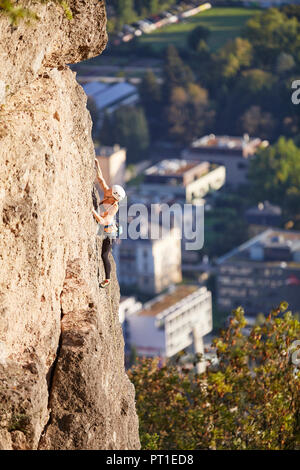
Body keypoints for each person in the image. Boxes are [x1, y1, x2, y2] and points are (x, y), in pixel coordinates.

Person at [92, 159, 126, 288]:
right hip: (105, 227)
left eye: (110, 190)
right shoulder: (108, 193)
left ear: (114, 196)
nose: (108, 189)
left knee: (104, 255)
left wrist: (92, 211)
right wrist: (97, 164)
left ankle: (107, 279)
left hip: (110, 233)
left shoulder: (114, 207)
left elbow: (103, 221)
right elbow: (100, 179)